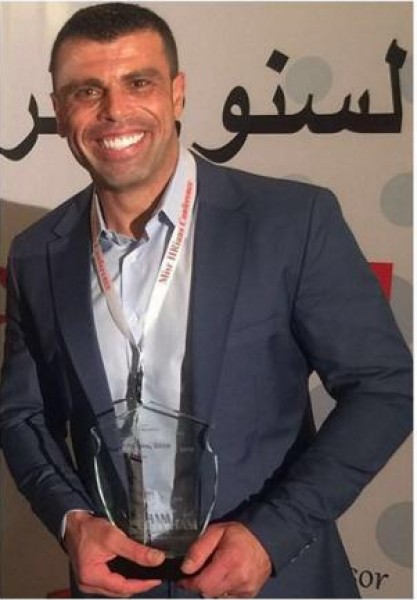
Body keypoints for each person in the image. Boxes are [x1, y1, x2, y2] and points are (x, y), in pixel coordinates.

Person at [0, 3, 412, 598]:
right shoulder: (38, 253)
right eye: (87, 91)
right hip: (118, 588)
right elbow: (22, 416)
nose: (114, 110)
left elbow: (383, 387)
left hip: (275, 583)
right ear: (60, 112)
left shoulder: (291, 222)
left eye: (138, 83)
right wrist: (72, 522)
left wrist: (272, 535)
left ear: (177, 94)